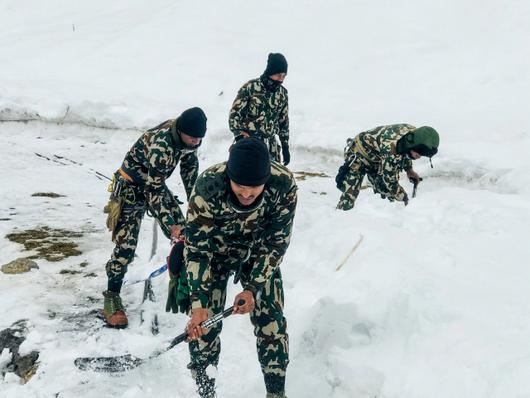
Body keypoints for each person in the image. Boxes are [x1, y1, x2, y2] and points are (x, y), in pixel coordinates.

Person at [183, 138, 297, 398]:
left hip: (258, 254)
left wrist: (253, 287)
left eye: (254, 188)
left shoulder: (283, 185)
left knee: (272, 323)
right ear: (229, 178)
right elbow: (198, 251)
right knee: (203, 328)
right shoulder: (207, 187)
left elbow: (276, 244)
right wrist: (199, 304)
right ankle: (205, 391)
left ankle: (275, 393)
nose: (246, 194)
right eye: (239, 187)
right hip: (215, 255)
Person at [102, 107, 207, 328]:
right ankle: (112, 296)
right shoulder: (162, 146)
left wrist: (196, 205)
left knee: (185, 234)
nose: (196, 142)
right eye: (192, 138)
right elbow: (153, 191)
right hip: (131, 189)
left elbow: (189, 171)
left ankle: (186, 288)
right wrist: (172, 225)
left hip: (154, 183)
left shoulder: (189, 139)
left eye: (199, 139)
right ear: (181, 132)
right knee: (126, 246)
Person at [335, 124, 439, 210]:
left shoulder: (414, 135)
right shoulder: (391, 148)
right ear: (413, 146)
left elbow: (404, 151)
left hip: (378, 157)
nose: (418, 157)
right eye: (418, 154)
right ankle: (338, 219)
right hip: (359, 154)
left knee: (385, 191)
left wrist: (409, 170)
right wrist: (406, 200)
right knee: (349, 197)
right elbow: (390, 180)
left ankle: (386, 221)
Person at [229, 53, 291, 165]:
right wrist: (239, 135)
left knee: (271, 180)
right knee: (247, 178)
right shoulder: (251, 87)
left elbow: (283, 121)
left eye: (284, 76)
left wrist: (285, 146)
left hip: (271, 148)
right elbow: (235, 113)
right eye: (278, 75)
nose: (281, 79)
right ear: (270, 72)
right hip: (249, 143)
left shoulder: (282, 93)